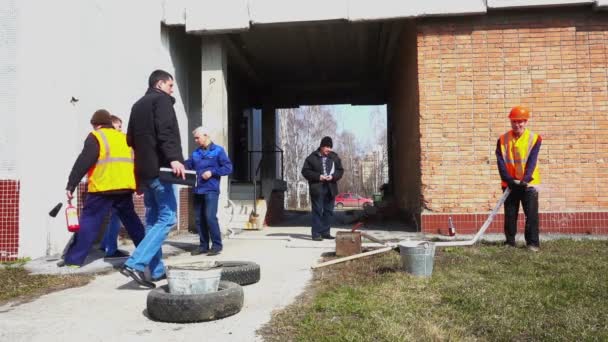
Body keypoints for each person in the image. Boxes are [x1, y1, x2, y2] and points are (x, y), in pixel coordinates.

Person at [121, 69, 186, 289]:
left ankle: (156, 271)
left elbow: (130, 139)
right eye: (170, 85)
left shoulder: (137, 105)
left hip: (144, 172)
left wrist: (139, 175)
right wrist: (175, 158)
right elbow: (166, 131)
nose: (172, 89)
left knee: (152, 220)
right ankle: (135, 263)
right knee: (168, 218)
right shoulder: (162, 101)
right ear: (160, 84)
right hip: (161, 170)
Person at [61, 110, 145, 267]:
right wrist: (139, 185)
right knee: (133, 223)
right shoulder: (124, 138)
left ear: (96, 124)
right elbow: (136, 162)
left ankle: (74, 260)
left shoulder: (96, 136)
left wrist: (71, 185)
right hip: (125, 187)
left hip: (102, 188)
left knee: (89, 223)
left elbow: (83, 162)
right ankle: (149, 254)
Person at [495, 106, 542, 252]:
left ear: (525, 122)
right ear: (511, 122)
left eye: (520, 121)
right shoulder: (502, 139)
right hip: (509, 183)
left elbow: (532, 161)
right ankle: (510, 242)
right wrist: (508, 180)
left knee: (531, 215)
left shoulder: (534, 139)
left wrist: (525, 179)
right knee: (510, 213)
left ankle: (532, 244)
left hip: (528, 184)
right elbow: (501, 162)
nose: (517, 125)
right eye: (514, 121)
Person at [185, 127, 233, 256]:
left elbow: (228, 168)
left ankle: (217, 246)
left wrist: (212, 172)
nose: (195, 140)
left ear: (206, 136)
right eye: (195, 138)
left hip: (211, 190)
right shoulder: (196, 153)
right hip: (197, 190)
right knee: (199, 219)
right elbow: (187, 165)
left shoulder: (218, 151)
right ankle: (203, 246)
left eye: (197, 138)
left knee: (210, 217)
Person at [99, 115, 131, 259]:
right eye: (119, 127)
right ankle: (111, 250)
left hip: (108, 184)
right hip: (117, 185)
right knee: (116, 218)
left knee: (114, 217)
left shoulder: (104, 140)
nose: (121, 130)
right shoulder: (116, 141)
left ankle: (105, 244)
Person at [301, 136, 344, 241]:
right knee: (317, 211)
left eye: (330, 147)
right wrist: (318, 177)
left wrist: (333, 177)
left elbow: (340, 171)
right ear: (321, 146)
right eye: (327, 147)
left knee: (329, 211)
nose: (329, 149)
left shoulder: (334, 157)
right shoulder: (311, 157)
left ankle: (325, 232)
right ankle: (316, 234)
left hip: (330, 188)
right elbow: (305, 171)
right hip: (317, 188)